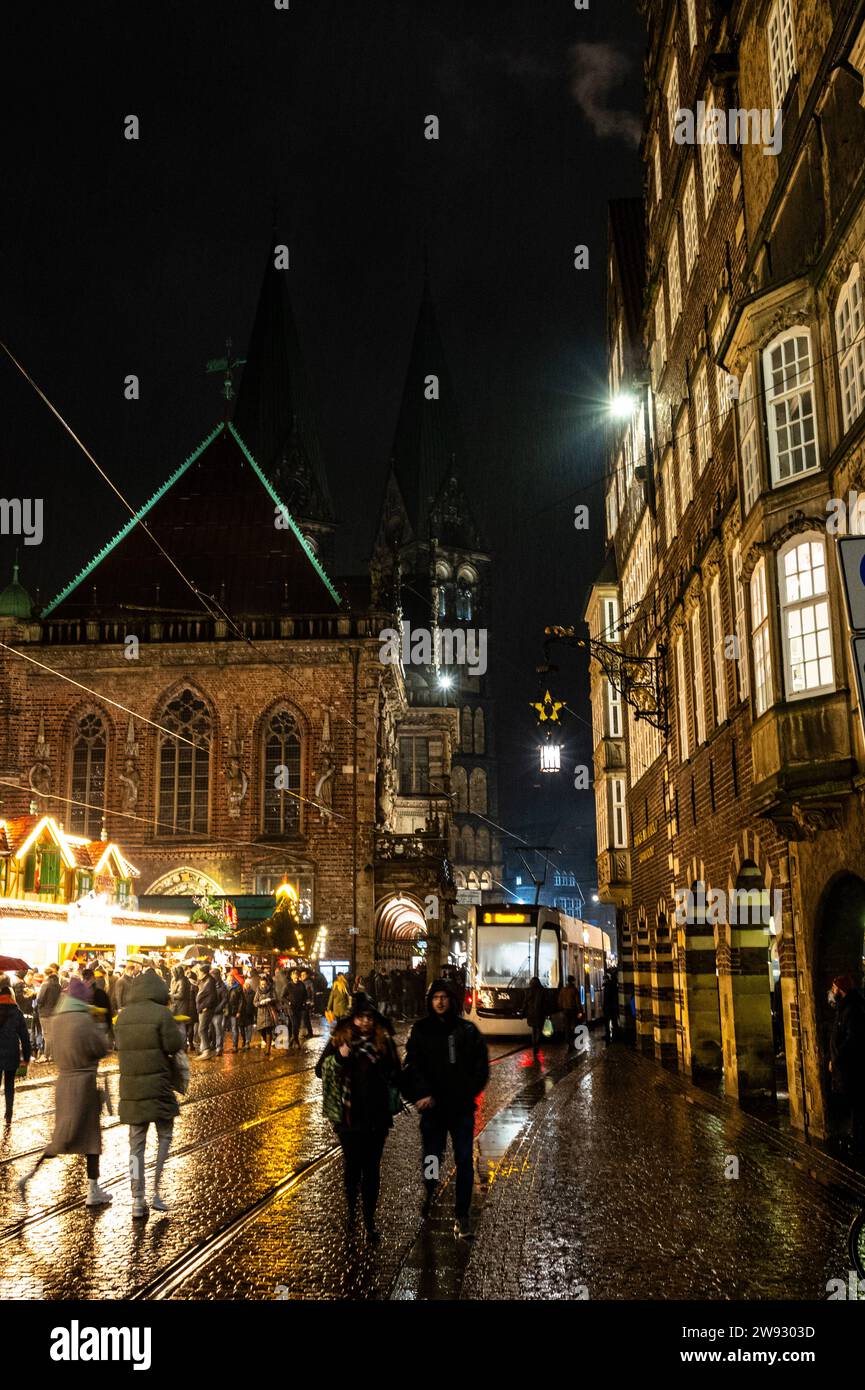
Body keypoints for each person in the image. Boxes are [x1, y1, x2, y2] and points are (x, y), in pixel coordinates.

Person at [401, 977, 490, 1239]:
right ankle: (429, 1190)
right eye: (436, 997)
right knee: (431, 1157)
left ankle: (462, 1214)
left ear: (451, 1000)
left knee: (464, 1161)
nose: (440, 1002)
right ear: (430, 1001)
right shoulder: (420, 1030)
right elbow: (410, 1067)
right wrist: (420, 1094)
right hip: (432, 1110)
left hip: (460, 1109)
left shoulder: (467, 1031)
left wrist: (464, 1093)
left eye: (444, 997)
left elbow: (480, 1069)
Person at [18, 975, 111, 1206]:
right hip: (84, 1083)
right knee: (90, 1139)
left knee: (62, 1135)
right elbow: (100, 1048)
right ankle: (92, 1189)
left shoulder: (58, 1019)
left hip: (64, 1082)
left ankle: (30, 1175)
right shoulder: (84, 1019)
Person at [315, 992, 400, 1242]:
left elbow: (396, 1073)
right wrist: (339, 1059)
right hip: (348, 1117)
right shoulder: (340, 1040)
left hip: (376, 1116)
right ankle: (352, 1210)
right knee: (352, 1167)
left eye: (369, 1018)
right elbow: (320, 1070)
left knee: (372, 1169)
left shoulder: (384, 1043)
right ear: (353, 1019)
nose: (364, 1022)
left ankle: (369, 1220)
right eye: (360, 1017)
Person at [115, 968, 185, 1218]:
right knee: (165, 1135)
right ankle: (156, 1188)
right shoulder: (162, 1014)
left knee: (136, 1147)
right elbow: (174, 1045)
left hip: (131, 1091)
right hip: (159, 1087)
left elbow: (118, 1046)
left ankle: (137, 1199)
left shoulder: (123, 1017)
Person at [829, 973, 865, 1160]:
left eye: (834, 988)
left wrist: (839, 1057)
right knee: (851, 1104)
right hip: (843, 1066)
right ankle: (854, 1138)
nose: (832, 992)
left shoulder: (852, 1009)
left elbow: (853, 1038)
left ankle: (858, 1143)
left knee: (857, 1104)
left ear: (841, 990)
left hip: (851, 1067)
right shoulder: (843, 1008)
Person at [0, 974, 31, 1124]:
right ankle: (9, 1114)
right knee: (9, 1085)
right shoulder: (17, 1013)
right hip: (12, 1052)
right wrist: (26, 1057)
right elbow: (25, 1037)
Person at [35, 964, 61, 1063]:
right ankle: (53, 1055)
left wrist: (39, 1005)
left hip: (45, 1013)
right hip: (55, 1012)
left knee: (47, 1035)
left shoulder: (45, 984)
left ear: (46, 974)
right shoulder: (58, 985)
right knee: (53, 1034)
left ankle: (46, 1055)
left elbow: (40, 999)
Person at [170, 964, 194, 1048]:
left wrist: (171, 995)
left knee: (181, 1027)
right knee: (179, 1027)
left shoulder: (182, 981)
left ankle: (183, 1046)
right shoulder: (176, 980)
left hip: (181, 1007)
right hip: (177, 1006)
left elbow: (181, 995)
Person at [558, 974, 584, 1051]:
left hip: (565, 1010)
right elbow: (578, 1002)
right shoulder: (574, 990)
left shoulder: (563, 990)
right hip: (573, 1010)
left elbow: (559, 1001)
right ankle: (573, 1041)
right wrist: (580, 1011)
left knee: (567, 1026)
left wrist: (561, 1008)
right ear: (572, 981)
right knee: (574, 1026)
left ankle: (568, 1041)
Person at [195, 965, 217, 1058]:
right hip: (202, 1008)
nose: (198, 973)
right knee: (202, 1029)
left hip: (205, 1009)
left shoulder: (209, 981)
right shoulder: (204, 980)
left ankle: (206, 1050)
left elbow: (212, 996)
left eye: (199, 971)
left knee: (202, 1029)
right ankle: (204, 1049)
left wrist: (206, 1007)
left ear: (203, 972)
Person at [254, 972, 278, 1055]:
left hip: (269, 1012)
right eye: (261, 984)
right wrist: (260, 1003)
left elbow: (275, 999)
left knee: (268, 1031)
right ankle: (266, 1041)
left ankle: (267, 1050)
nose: (263, 986)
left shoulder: (271, 990)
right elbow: (255, 1002)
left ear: (267, 983)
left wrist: (270, 1000)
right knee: (261, 1031)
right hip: (260, 1013)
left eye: (264, 984)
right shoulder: (258, 991)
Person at [525, 977, 548, 1058]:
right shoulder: (542, 990)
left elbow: (525, 1002)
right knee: (539, 1030)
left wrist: (523, 1012)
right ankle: (537, 1045)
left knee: (534, 1030)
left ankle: (534, 1045)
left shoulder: (529, 991)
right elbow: (545, 1003)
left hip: (531, 1014)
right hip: (540, 1014)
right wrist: (547, 1013)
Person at [286, 969, 308, 1049]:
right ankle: (296, 1041)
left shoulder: (301, 984)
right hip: (291, 1008)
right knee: (294, 1024)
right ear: (292, 977)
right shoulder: (289, 985)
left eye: (297, 978)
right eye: (294, 978)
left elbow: (305, 994)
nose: (296, 979)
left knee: (298, 1025)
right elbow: (282, 996)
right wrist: (288, 1002)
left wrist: (304, 1001)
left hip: (300, 1007)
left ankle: (292, 1039)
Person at [226, 968, 245, 1051]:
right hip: (225, 1010)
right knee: (222, 1028)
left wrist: (239, 1011)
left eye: (232, 979)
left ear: (234, 979)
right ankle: (219, 1046)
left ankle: (235, 1046)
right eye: (229, 979)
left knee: (234, 1028)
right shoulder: (224, 986)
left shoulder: (238, 987)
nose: (230, 981)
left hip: (234, 1011)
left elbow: (241, 1000)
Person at [211, 966, 228, 1055]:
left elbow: (225, 999)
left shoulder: (222, 986)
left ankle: (219, 1047)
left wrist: (218, 1008)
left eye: (213, 974)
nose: (212, 976)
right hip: (210, 1011)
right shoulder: (211, 984)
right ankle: (213, 1045)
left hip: (217, 1012)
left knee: (218, 1030)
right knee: (211, 1030)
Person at [602, 966, 620, 1041]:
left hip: (609, 1007)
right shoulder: (612, 985)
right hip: (611, 1007)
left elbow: (607, 998)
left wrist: (604, 1006)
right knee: (613, 1021)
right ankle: (614, 1035)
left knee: (609, 1021)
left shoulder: (608, 986)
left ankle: (610, 1035)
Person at [301, 968, 316, 1038]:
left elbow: (312, 992)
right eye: (301, 975)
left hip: (307, 1002)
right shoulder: (300, 982)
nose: (302, 976)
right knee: (304, 1018)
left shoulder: (309, 982)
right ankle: (307, 1032)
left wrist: (312, 1001)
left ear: (307, 975)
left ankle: (309, 1033)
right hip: (301, 1002)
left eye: (304, 975)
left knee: (306, 1018)